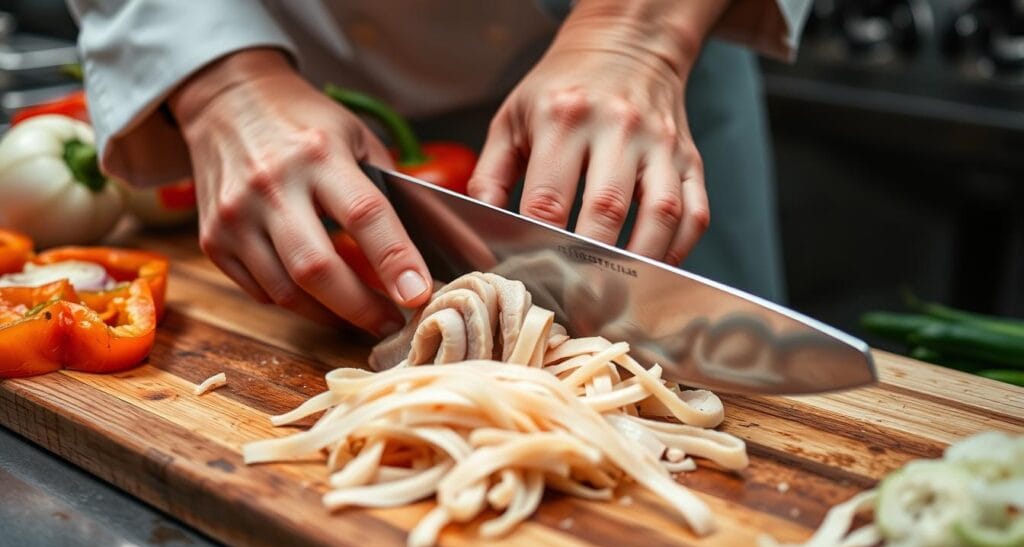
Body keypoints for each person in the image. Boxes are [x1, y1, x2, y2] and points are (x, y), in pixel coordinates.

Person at [69, 0, 810, 337]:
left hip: (650, 68)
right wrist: (220, 83)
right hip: (288, 72)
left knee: (696, 359)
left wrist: (635, 33)